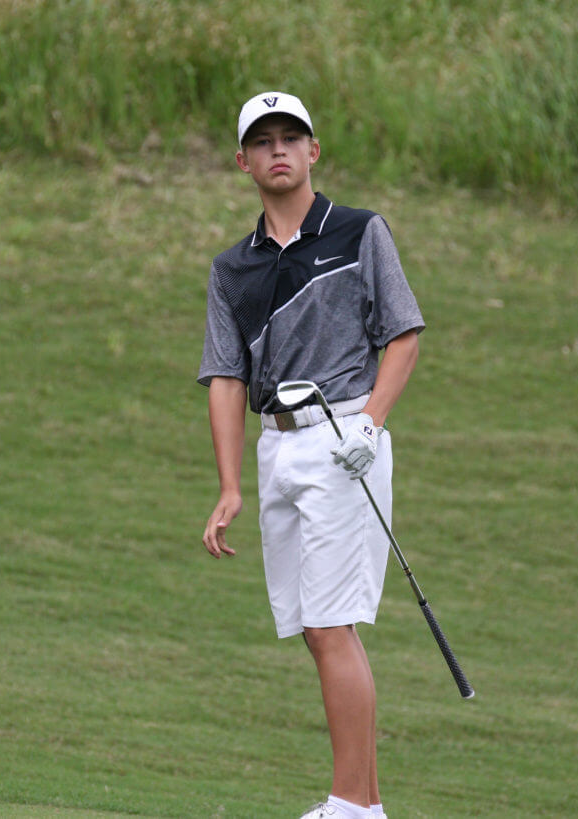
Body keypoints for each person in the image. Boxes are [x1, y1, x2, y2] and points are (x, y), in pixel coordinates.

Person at [198, 91, 425, 819]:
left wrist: (370, 425)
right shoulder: (232, 268)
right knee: (314, 628)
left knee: (331, 624)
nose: (278, 150)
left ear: (314, 150)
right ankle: (363, 803)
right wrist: (230, 484)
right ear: (243, 161)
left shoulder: (359, 232)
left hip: (344, 439)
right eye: (262, 141)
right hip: (278, 448)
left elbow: (403, 334)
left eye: (290, 136)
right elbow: (227, 377)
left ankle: (353, 807)